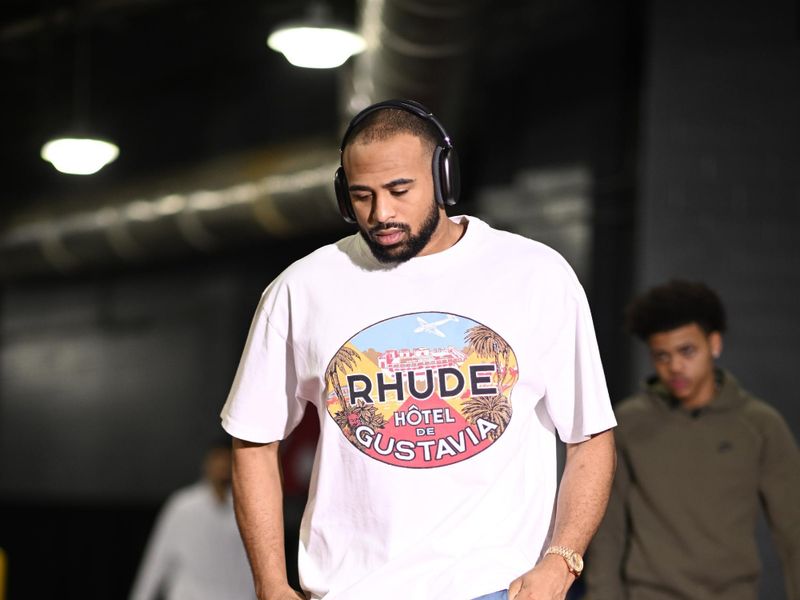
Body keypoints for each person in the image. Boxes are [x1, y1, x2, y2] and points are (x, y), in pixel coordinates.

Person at [221, 99, 617, 600]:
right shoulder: (302, 289)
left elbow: (590, 436)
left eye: (399, 190)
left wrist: (562, 561)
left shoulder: (535, 275)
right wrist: (271, 584)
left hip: (496, 589)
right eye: (362, 195)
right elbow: (253, 441)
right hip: (350, 591)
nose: (381, 212)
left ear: (444, 178)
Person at [584, 280, 800, 600]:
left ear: (714, 344)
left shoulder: (759, 425)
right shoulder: (628, 423)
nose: (675, 367)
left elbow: (793, 530)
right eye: (662, 356)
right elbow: (608, 531)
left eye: (687, 351)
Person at [129, 441, 256, 600]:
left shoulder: (246, 509)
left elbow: (251, 565)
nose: (222, 467)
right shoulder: (183, 506)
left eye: (227, 461)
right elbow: (158, 558)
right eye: (218, 460)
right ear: (207, 464)